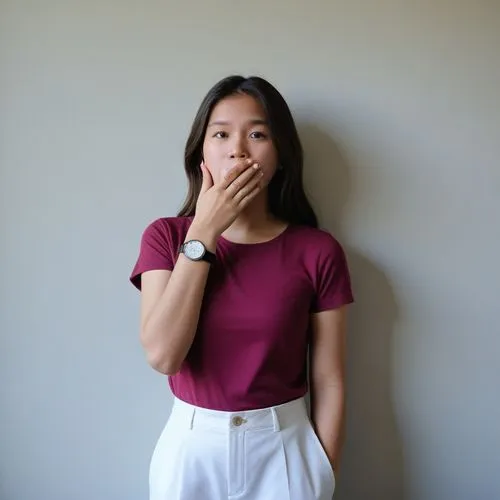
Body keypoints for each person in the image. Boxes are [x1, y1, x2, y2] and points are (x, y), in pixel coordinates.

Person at [130, 75, 354, 500]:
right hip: (191, 451)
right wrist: (206, 230)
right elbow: (163, 355)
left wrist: (324, 472)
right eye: (221, 134)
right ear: (202, 152)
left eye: (257, 134)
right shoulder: (164, 237)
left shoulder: (317, 250)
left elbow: (330, 378)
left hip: (286, 451)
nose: (238, 148)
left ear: (281, 154)